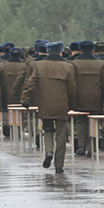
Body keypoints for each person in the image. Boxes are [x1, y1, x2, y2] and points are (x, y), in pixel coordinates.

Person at [22, 42, 76, 173]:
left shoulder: (39, 66)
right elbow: (72, 88)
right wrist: (71, 104)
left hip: (45, 104)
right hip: (62, 105)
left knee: (47, 129)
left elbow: (30, 83)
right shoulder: (68, 67)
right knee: (61, 134)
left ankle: (49, 151)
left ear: (47, 51)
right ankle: (59, 165)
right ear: (61, 52)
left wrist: (25, 98)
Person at [71, 41, 104, 156]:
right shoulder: (100, 63)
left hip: (79, 98)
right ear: (93, 50)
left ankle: (82, 145)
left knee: (81, 121)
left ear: (80, 50)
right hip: (95, 98)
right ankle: (92, 147)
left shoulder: (74, 63)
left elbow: (71, 82)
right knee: (93, 121)